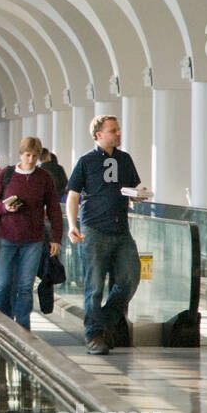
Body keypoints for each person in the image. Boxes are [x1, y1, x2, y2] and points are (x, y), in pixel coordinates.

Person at [66, 115, 142, 355]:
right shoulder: (86, 162)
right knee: (95, 285)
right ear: (99, 135)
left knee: (130, 277)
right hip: (94, 230)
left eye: (118, 130)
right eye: (113, 131)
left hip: (121, 230)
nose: (118, 134)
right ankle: (93, 334)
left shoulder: (125, 159)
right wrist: (72, 224)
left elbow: (131, 190)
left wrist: (137, 195)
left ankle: (104, 322)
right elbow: (73, 195)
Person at [0, 136, 62, 331]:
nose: (31, 160)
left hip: (33, 240)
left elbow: (53, 209)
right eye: (27, 155)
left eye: (35, 156)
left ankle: (23, 328)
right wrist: (3, 207)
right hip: (6, 237)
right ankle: (3, 324)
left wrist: (56, 237)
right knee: (3, 284)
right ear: (21, 154)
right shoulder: (7, 174)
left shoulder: (44, 178)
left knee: (25, 286)